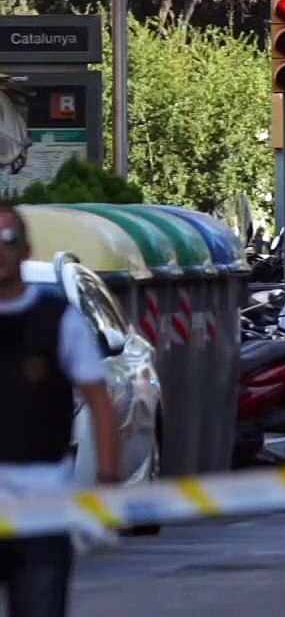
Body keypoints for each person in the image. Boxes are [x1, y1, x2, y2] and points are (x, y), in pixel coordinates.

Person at [0, 203, 121, 617]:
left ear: (25, 248)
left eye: (8, 240)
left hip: (44, 503)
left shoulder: (58, 318)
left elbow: (100, 402)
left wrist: (107, 482)